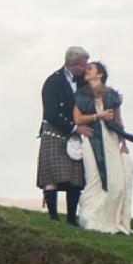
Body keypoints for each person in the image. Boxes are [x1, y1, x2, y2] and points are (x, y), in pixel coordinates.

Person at [72, 60, 133, 233]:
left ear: (100, 74)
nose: (86, 71)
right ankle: (89, 217)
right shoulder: (81, 94)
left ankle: (109, 220)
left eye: (90, 68)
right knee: (94, 178)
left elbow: (118, 120)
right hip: (92, 140)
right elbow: (78, 119)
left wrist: (124, 143)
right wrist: (98, 116)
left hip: (111, 139)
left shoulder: (112, 95)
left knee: (116, 182)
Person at [37, 47, 92, 224]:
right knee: (52, 176)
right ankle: (53, 217)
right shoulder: (53, 82)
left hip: (74, 133)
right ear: (71, 64)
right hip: (54, 131)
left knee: (75, 178)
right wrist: (75, 128)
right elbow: (50, 113)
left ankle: (71, 219)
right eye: (83, 65)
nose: (86, 69)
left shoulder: (84, 82)